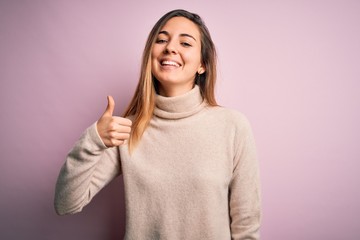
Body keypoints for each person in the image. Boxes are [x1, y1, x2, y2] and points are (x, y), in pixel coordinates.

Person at [54, 9, 261, 240]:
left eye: (185, 43)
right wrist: (94, 140)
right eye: (161, 40)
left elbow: (247, 226)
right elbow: (66, 204)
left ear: (202, 64)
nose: (170, 47)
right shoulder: (127, 130)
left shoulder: (233, 126)